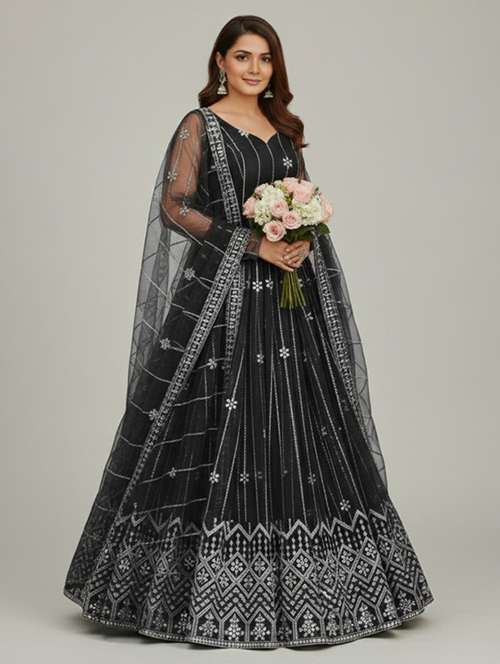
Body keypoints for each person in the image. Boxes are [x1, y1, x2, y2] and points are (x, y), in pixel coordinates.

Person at [63, 14, 434, 649]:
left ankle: (323, 590)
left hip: (290, 301)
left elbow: (299, 200)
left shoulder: (284, 129)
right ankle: (189, 592)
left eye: (265, 58)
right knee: (207, 423)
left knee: (302, 418)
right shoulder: (200, 125)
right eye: (243, 57)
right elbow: (176, 205)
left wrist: (299, 238)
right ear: (220, 62)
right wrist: (253, 243)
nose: (255, 68)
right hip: (221, 299)